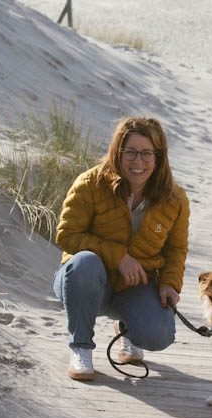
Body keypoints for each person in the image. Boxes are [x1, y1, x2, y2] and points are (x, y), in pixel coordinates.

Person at [53, 115, 190, 381]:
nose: (138, 162)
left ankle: (127, 328)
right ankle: (81, 347)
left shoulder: (175, 199)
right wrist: (119, 257)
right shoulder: (90, 183)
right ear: (118, 152)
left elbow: (177, 249)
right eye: (130, 152)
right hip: (84, 281)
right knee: (85, 263)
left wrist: (170, 284)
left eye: (147, 153)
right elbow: (66, 235)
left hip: (134, 286)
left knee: (158, 335)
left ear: (159, 156)